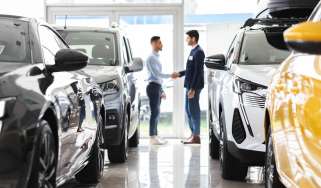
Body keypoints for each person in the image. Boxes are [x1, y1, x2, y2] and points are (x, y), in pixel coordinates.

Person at [172, 30, 205, 144]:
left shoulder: (199, 52)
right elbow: (190, 70)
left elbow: (198, 72)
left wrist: (193, 88)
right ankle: (193, 134)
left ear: (193, 38)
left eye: (187, 38)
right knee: (188, 109)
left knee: (194, 110)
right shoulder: (193, 51)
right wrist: (179, 74)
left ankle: (196, 136)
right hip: (190, 85)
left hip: (194, 87)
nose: (186, 40)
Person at [146, 36, 175, 145]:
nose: (161, 44)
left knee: (157, 112)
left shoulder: (156, 57)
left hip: (157, 87)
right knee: (155, 112)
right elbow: (156, 74)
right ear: (153, 44)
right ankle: (152, 137)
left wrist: (161, 90)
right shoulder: (151, 58)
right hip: (153, 87)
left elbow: (158, 78)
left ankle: (155, 135)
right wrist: (170, 75)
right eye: (159, 43)